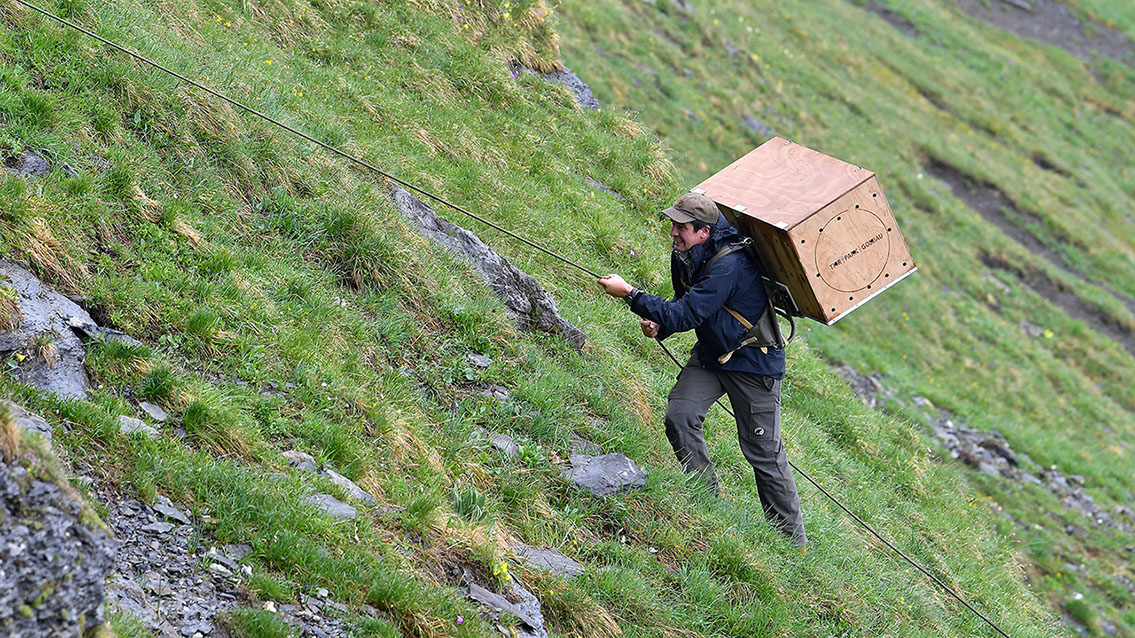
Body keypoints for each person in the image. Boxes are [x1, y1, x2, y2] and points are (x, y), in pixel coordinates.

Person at [597, 192, 807, 548]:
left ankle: (792, 544)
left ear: (704, 232)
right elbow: (686, 306)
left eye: (681, 227)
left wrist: (631, 294)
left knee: (763, 453)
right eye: (674, 225)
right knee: (680, 416)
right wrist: (660, 326)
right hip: (712, 354)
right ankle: (706, 500)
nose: (673, 232)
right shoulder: (684, 255)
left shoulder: (730, 265)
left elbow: (686, 313)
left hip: (754, 365)